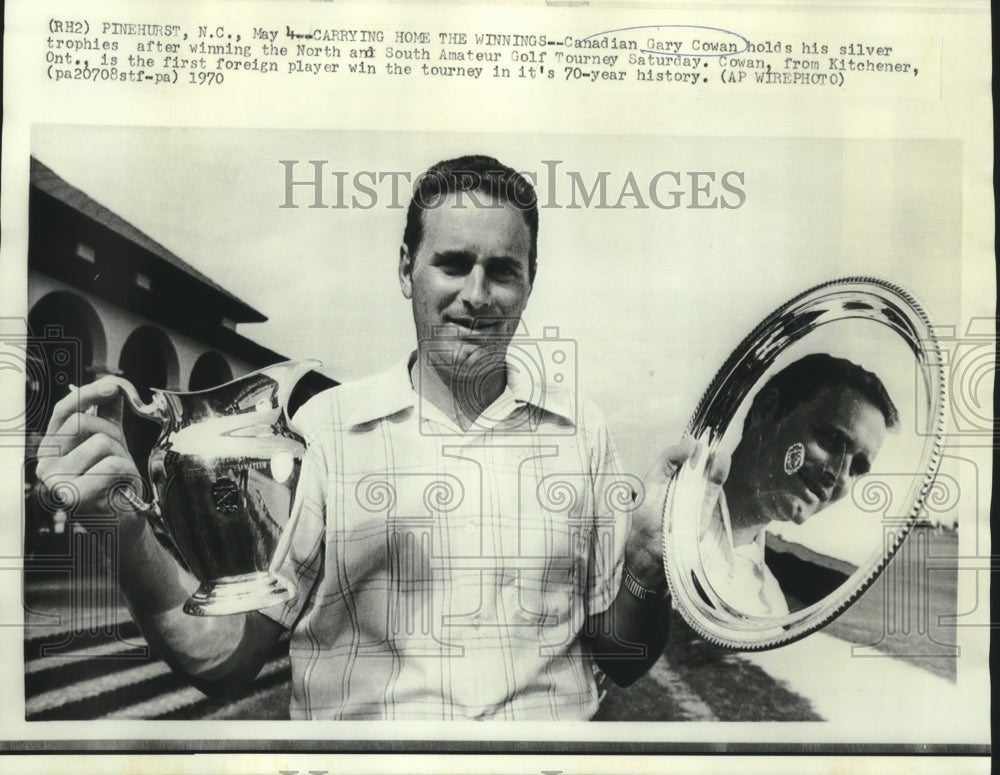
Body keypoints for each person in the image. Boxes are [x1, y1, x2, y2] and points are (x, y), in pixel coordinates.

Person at [35, 155, 725, 720]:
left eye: (503, 270)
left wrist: (642, 564)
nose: (477, 294)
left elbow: (625, 662)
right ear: (406, 269)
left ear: (529, 282)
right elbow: (225, 657)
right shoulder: (325, 434)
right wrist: (122, 530)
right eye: (453, 263)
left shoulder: (582, 431)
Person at [699, 353, 899, 616]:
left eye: (858, 468)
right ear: (767, 410)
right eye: (829, 439)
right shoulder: (662, 519)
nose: (840, 477)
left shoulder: (770, 606)